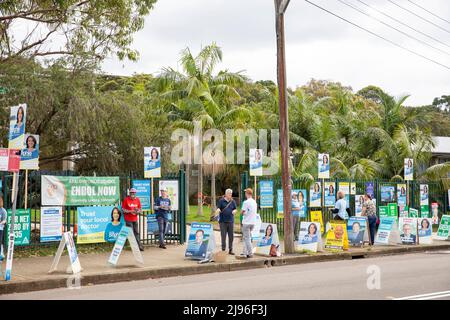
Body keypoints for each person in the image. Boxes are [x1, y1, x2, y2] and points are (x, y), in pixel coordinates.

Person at [215, 189, 237, 255]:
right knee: (223, 236)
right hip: (223, 221)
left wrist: (234, 211)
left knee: (231, 236)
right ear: (226, 194)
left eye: (231, 194)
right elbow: (218, 208)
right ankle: (223, 250)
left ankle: (230, 249)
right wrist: (218, 210)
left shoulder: (233, 201)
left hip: (230, 221)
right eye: (229, 194)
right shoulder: (221, 201)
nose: (230, 195)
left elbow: (235, 209)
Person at [240, 188, 257, 258]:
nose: (245, 194)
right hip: (252, 222)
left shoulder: (246, 202)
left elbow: (242, 212)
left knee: (247, 238)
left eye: (245, 193)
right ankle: (244, 252)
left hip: (246, 222)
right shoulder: (254, 202)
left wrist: (243, 213)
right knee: (246, 237)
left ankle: (250, 253)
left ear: (247, 194)